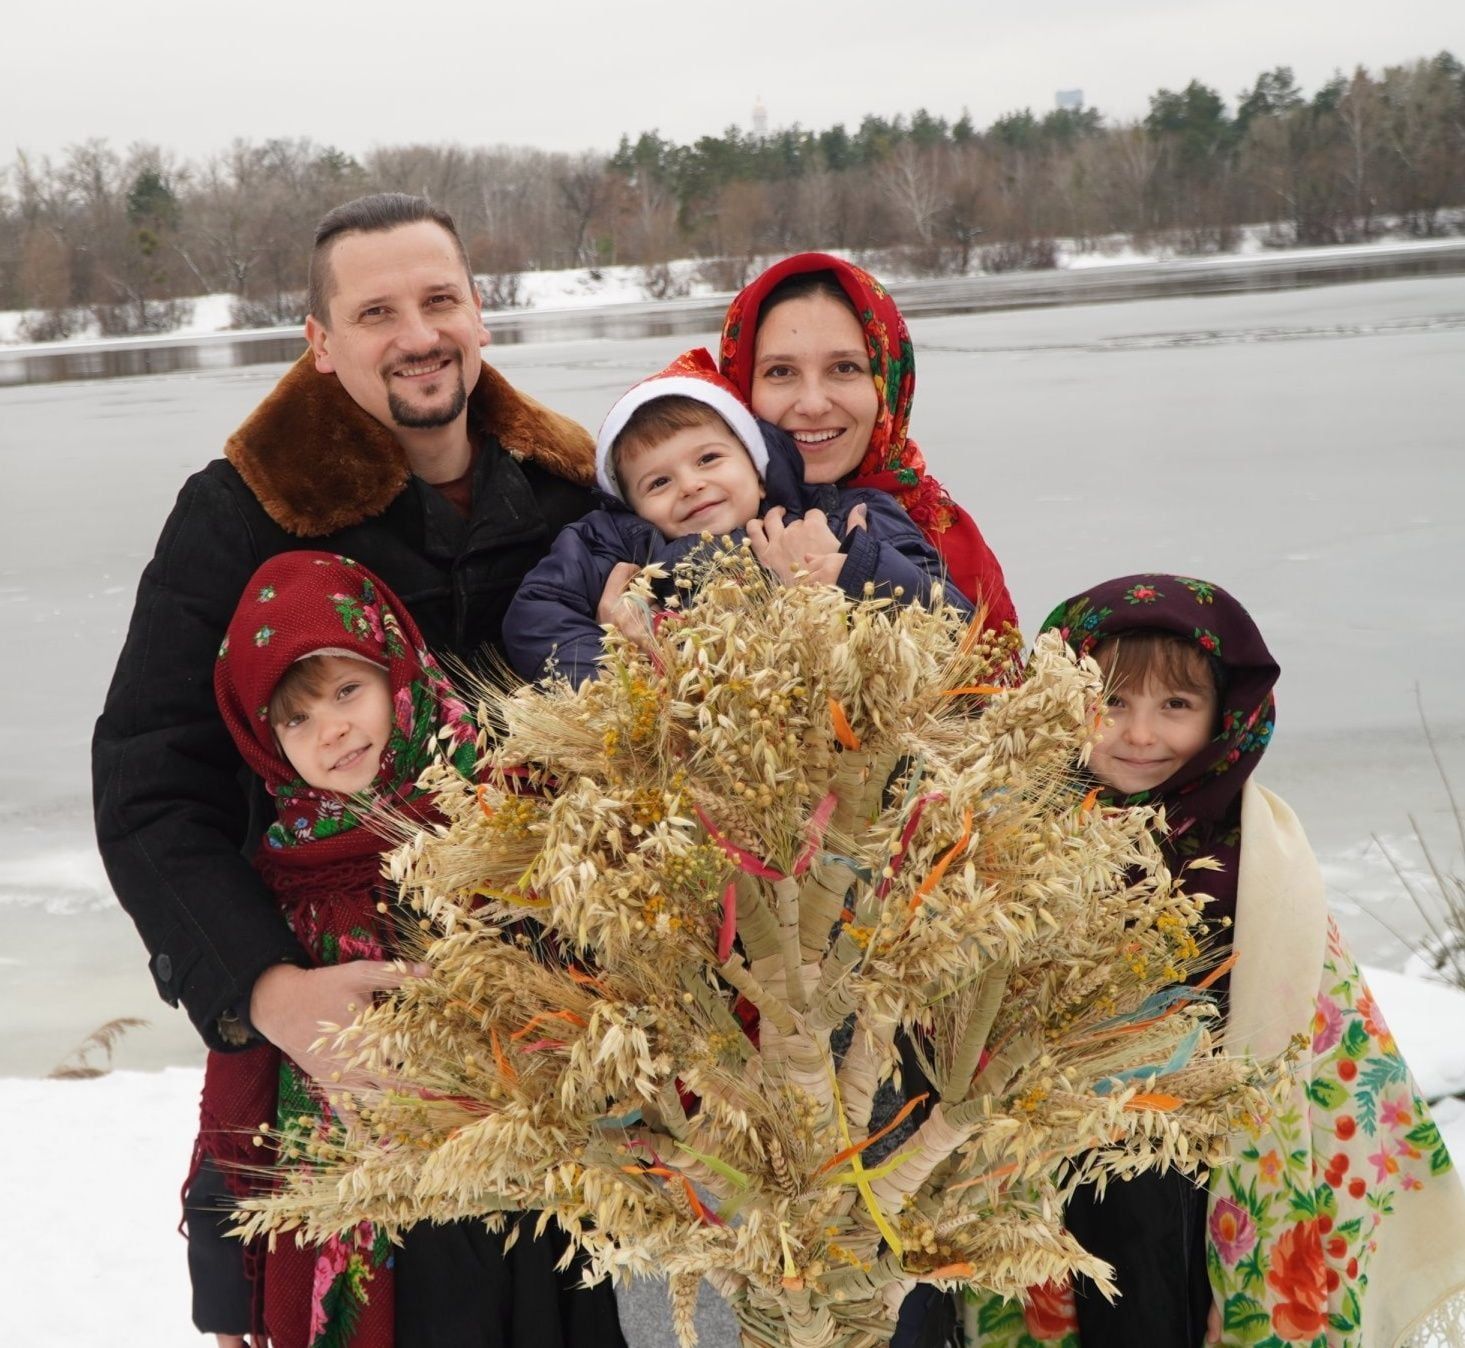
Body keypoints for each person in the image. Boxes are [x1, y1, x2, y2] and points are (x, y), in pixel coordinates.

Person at [92, 193, 624, 1346]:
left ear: (480, 315)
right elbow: (148, 788)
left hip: (569, 1047)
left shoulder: (575, 492)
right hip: (356, 1050)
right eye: (376, 311)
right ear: (320, 345)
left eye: (439, 300)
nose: (418, 334)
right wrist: (269, 994)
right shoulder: (242, 513)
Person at [965, 574, 1465, 1347]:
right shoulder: (1016, 839)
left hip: (1209, 1179)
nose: (1137, 734)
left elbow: (1318, 1027)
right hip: (1055, 1169)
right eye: (1110, 702)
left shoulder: (1260, 851)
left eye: (1174, 706)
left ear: (1224, 718)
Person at [187, 550, 481, 1347]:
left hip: (528, 1222)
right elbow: (241, 1093)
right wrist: (224, 1289)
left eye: (349, 691)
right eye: (296, 718)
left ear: (397, 671)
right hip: (374, 1242)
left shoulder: (507, 816)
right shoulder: (283, 887)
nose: (334, 729)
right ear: (262, 739)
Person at [504, 348, 970, 686]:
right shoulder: (616, 546)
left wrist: (852, 568)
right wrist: (622, 680)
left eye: (708, 459)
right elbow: (535, 615)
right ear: (633, 508)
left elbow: (956, 622)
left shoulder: (842, 516)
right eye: (658, 483)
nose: (690, 484)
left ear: (759, 472)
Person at [716, 253, 1017, 632]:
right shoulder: (689, 513)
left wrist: (857, 573)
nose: (813, 404)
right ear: (739, 385)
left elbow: (993, 680)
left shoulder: (941, 536)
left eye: (844, 368)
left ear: (889, 385)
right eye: (780, 371)